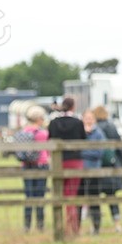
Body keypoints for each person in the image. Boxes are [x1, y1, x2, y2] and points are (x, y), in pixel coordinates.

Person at [47, 96, 86, 236]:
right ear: (73, 107)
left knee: (59, 194)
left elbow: (49, 139)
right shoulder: (77, 122)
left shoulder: (53, 122)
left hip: (59, 162)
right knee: (72, 195)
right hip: (75, 161)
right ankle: (72, 227)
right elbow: (83, 140)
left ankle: (61, 226)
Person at [13, 106, 50, 232]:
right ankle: (40, 224)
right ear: (38, 118)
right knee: (40, 195)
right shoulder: (42, 133)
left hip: (26, 166)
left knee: (28, 195)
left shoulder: (23, 132)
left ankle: (27, 225)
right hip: (41, 165)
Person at [93, 104, 122, 232]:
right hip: (111, 167)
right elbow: (119, 146)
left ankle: (95, 226)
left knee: (95, 197)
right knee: (112, 196)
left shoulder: (94, 128)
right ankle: (117, 224)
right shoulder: (111, 126)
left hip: (97, 166)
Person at [79, 110, 106, 234]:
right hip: (80, 172)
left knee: (94, 200)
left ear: (94, 120)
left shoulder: (99, 134)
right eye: (86, 118)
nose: (88, 120)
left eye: (91, 118)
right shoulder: (79, 134)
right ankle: (76, 227)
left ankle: (96, 227)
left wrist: (84, 152)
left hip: (94, 171)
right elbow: (76, 151)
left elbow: (99, 153)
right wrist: (88, 152)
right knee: (78, 200)